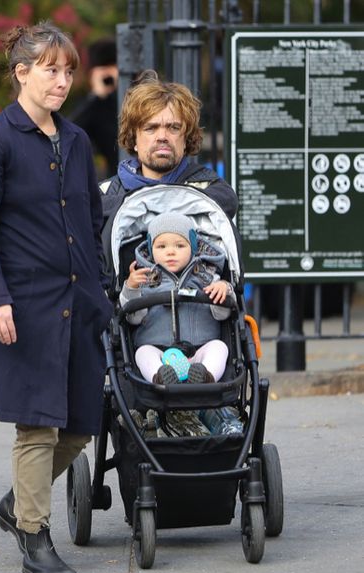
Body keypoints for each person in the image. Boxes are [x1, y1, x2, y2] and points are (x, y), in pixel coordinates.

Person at [0, 21, 112, 573]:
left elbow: (90, 222)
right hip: (22, 307)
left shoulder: (73, 141)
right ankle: (35, 536)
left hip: (79, 302)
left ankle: (16, 503)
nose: (63, 80)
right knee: (38, 427)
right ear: (21, 73)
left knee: (79, 424)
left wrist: (102, 288)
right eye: (52, 69)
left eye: (68, 70)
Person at [120, 212, 242, 436]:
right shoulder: (144, 280)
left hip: (198, 354)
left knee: (220, 348)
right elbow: (133, 318)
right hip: (159, 353)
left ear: (194, 247)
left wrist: (224, 289)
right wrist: (131, 288)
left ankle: (205, 377)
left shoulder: (207, 277)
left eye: (180, 245)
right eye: (161, 246)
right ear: (150, 249)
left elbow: (222, 315)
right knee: (142, 352)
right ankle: (160, 376)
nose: (170, 251)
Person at [100, 70, 238, 232]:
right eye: (151, 128)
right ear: (133, 139)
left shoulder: (211, 188)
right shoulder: (104, 193)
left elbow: (228, 202)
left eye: (173, 128)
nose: (162, 137)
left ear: (186, 138)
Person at [70, 38, 118, 177]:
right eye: (103, 68)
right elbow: (70, 132)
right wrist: (97, 95)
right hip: (114, 177)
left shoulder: (135, 93)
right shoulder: (91, 104)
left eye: (112, 66)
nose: (108, 74)